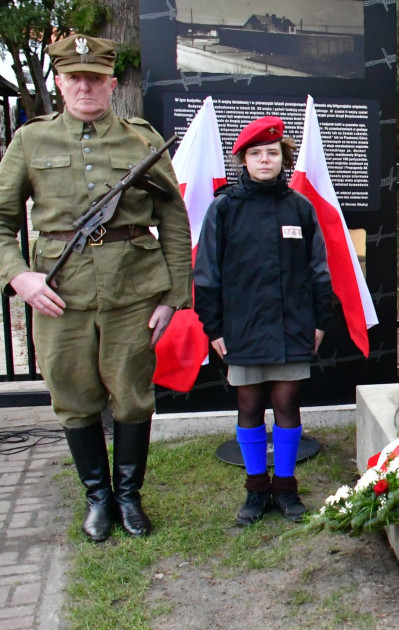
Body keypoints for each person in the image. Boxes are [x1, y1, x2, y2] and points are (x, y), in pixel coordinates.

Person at [0, 35, 192, 542]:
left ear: (111, 83)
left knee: (132, 395)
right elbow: (1, 221)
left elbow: (173, 217)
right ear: (60, 82)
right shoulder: (31, 141)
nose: (84, 86)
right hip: (59, 294)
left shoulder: (142, 139)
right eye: (73, 77)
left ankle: (129, 496)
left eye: (94, 78)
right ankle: (98, 499)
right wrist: (19, 275)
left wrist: (175, 295)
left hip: (133, 288)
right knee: (72, 395)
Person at [194, 116, 333, 525]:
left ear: (283, 158)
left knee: (288, 402)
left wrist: (320, 322)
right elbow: (206, 274)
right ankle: (256, 491)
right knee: (250, 403)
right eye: (256, 154)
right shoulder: (223, 209)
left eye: (272, 153)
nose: (265, 160)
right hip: (243, 327)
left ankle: (286, 489)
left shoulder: (300, 207)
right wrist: (214, 328)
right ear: (243, 160)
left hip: (293, 326)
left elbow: (319, 271)